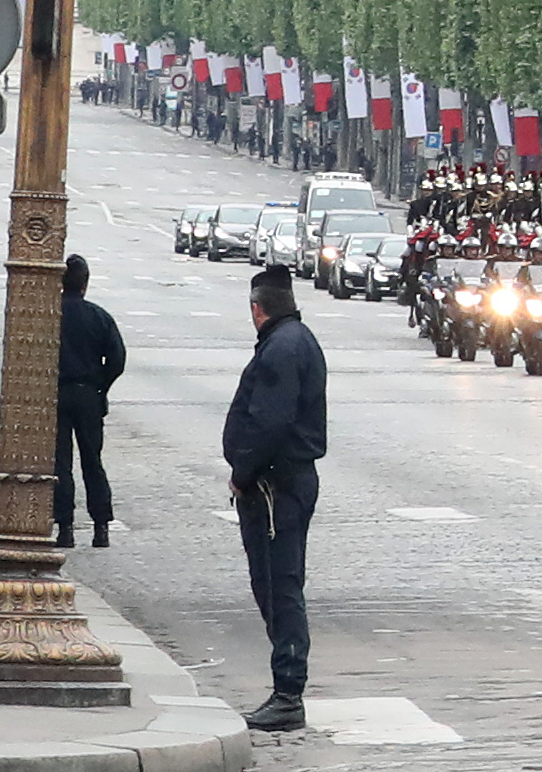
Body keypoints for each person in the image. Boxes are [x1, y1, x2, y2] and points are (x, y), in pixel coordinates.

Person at [223, 264, 327, 733]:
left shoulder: (281, 349)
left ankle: (288, 693)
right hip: (283, 483)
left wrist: (244, 472)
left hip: (274, 487)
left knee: (278, 586)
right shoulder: (296, 340)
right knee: (278, 584)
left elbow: (270, 423)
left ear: (256, 309)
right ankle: (286, 688)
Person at [56, 255, 123, 548]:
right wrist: (101, 385)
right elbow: (118, 358)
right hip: (88, 394)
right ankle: (101, 527)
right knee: (92, 461)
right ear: (85, 284)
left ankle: (65, 528)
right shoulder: (98, 316)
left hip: (57, 393)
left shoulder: (50, 315)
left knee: (61, 464)